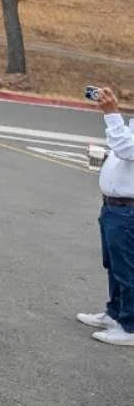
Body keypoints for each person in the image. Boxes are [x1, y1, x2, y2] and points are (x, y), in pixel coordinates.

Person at [80, 85, 134, 346]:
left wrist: (111, 114)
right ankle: (115, 314)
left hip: (128, 210)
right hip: (114, 207)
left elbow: (126, 148)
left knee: (127, 269)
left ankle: (130, 326)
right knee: (114, 265)